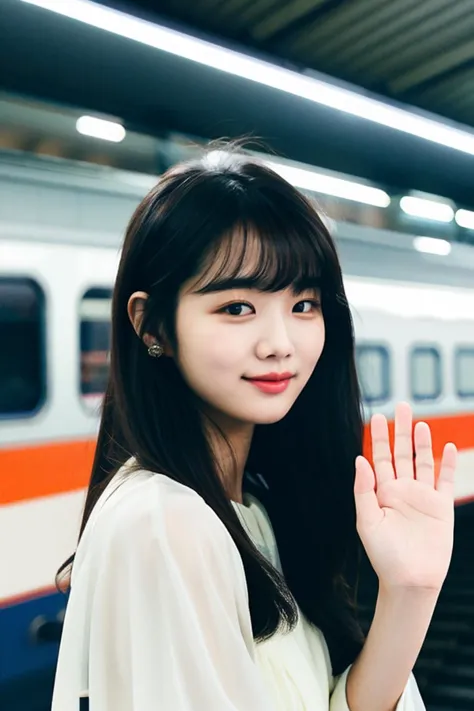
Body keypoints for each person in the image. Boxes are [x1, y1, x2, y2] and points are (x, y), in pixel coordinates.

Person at [51, 145, 457, 711]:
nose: (280, 344)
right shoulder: (165, 524)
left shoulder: (250, 509)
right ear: (152, 326)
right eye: (237, 307)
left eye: (304, 304)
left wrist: (410, 590)